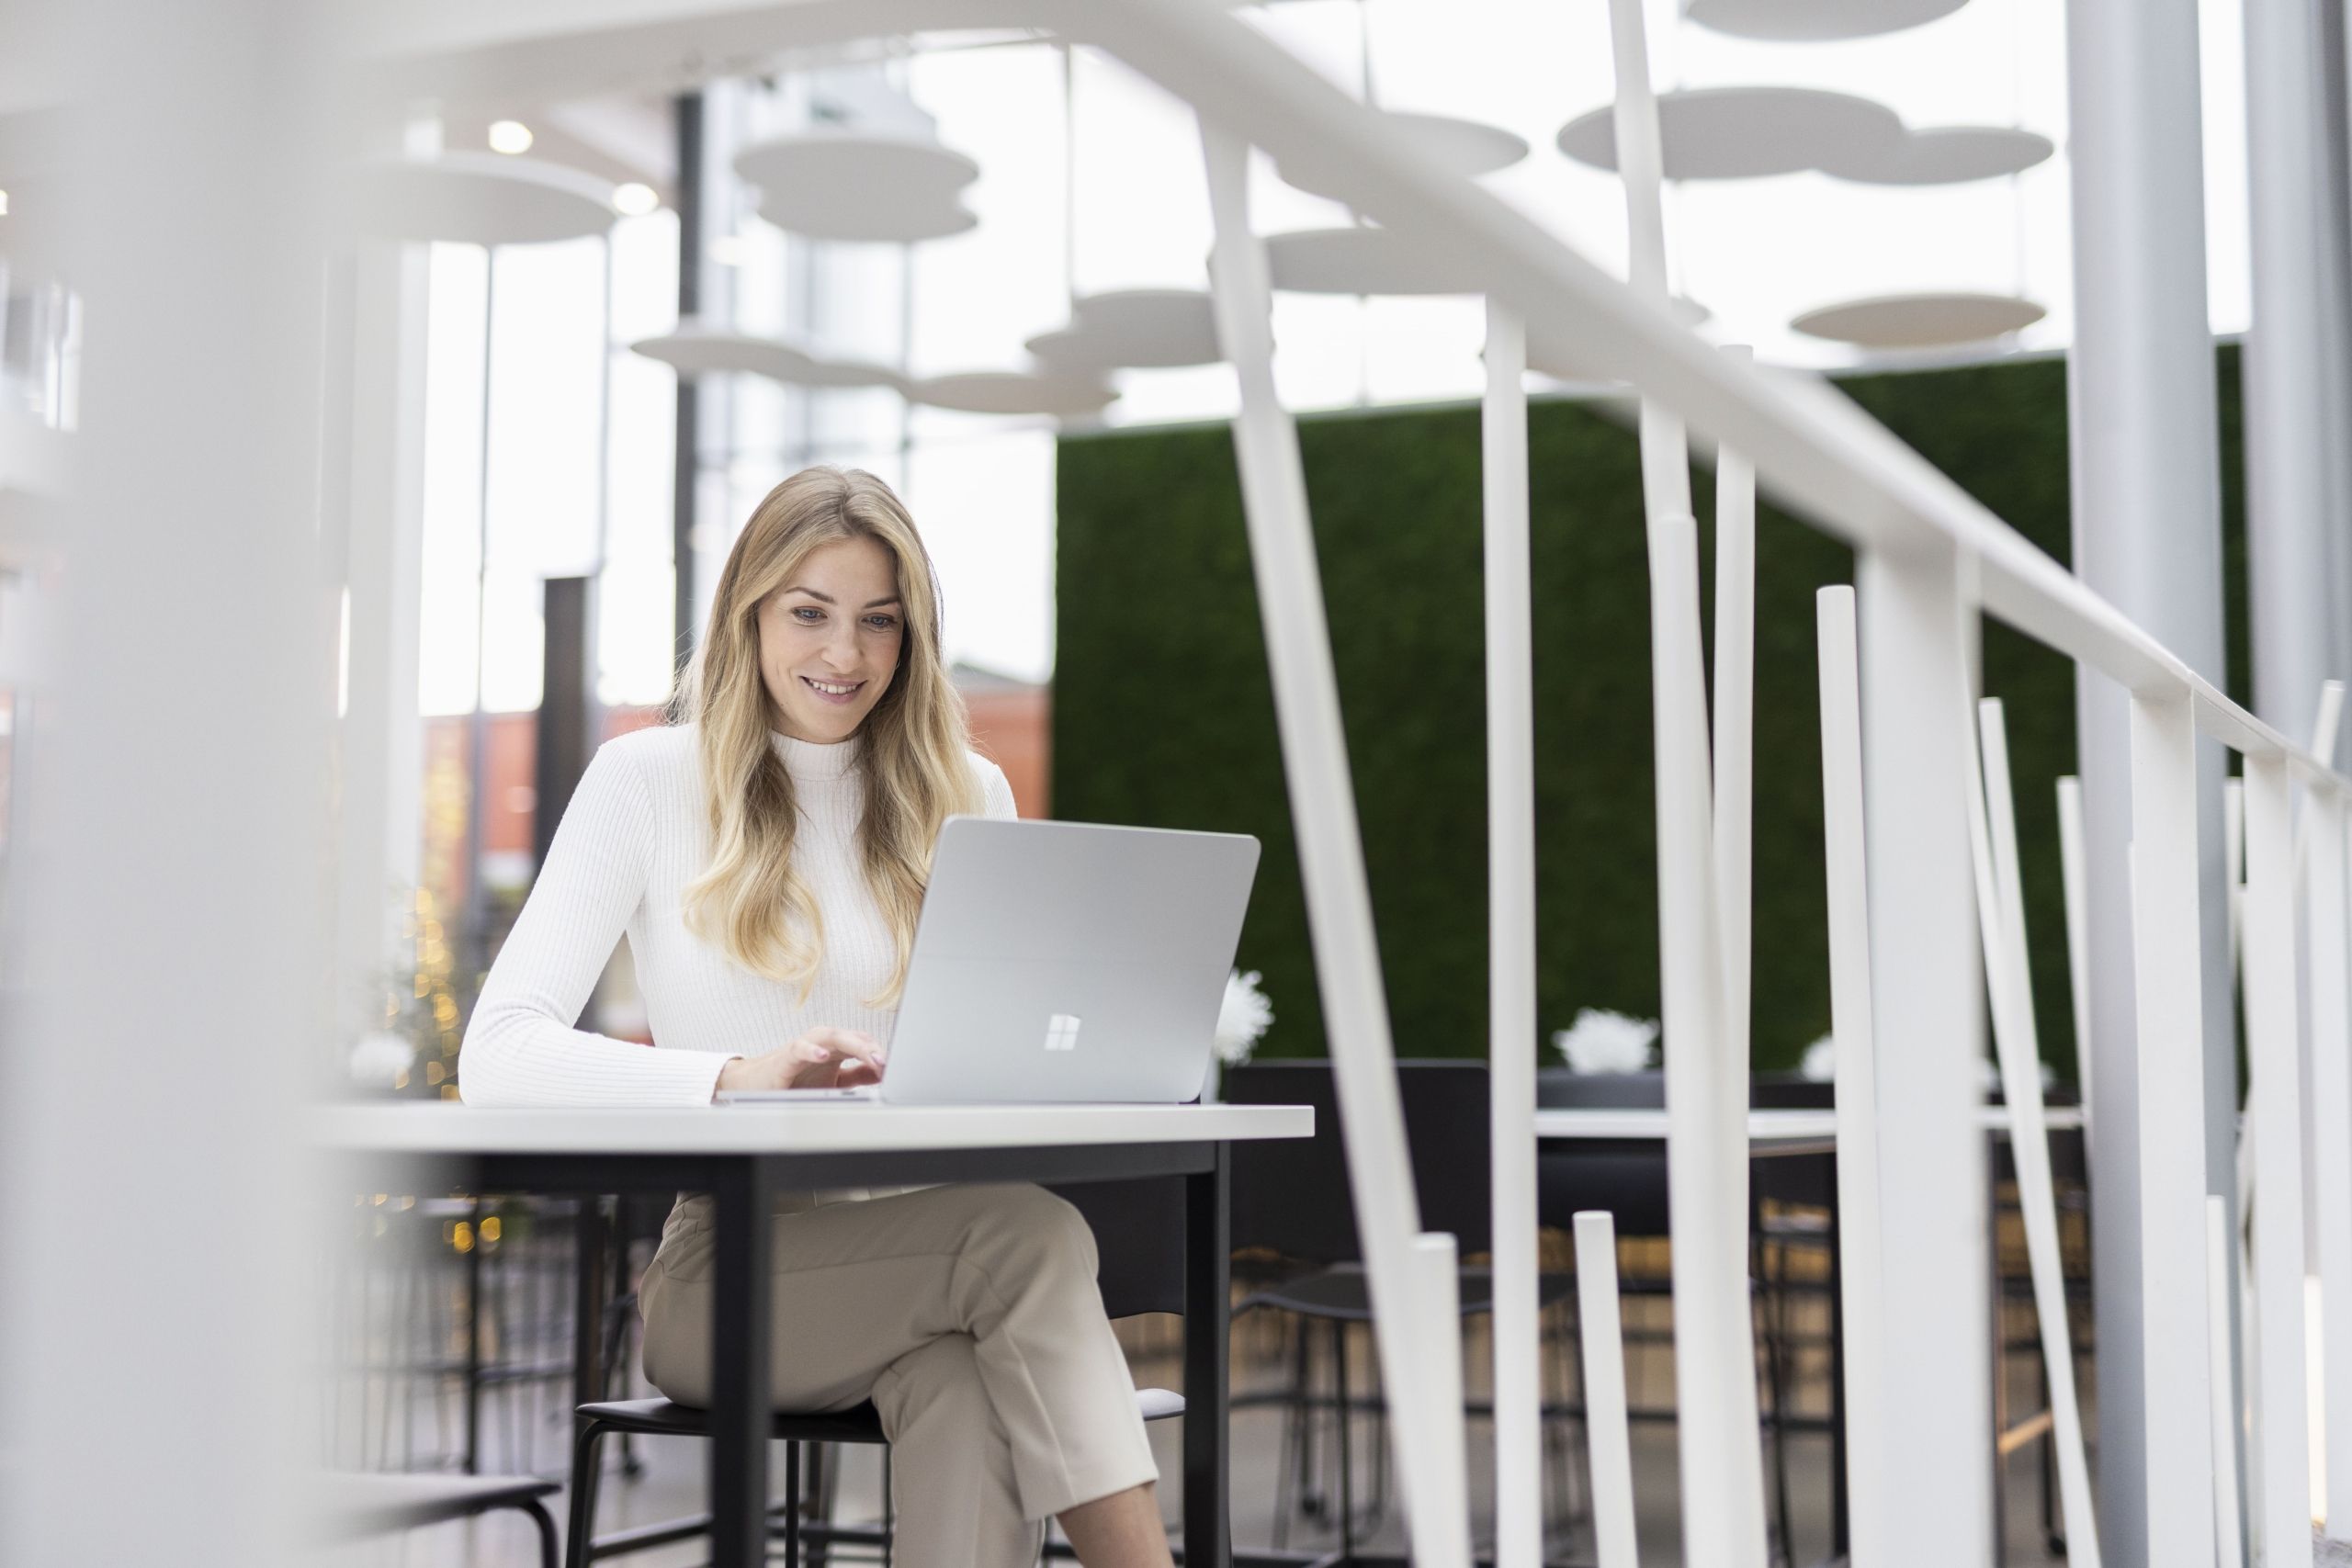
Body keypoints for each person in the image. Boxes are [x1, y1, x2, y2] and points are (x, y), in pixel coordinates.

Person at [459, 467, 1174, 1568]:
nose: (844, 656)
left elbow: (1001, 1045)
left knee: (969, 1384)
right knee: (1029, 1232)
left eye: (879, 623)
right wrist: (731, 1077)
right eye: (809, 613)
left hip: (933, 1257)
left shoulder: (969, 791)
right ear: (747, 612)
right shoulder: (646, 779)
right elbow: (497, 1052)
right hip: (731, 1274)